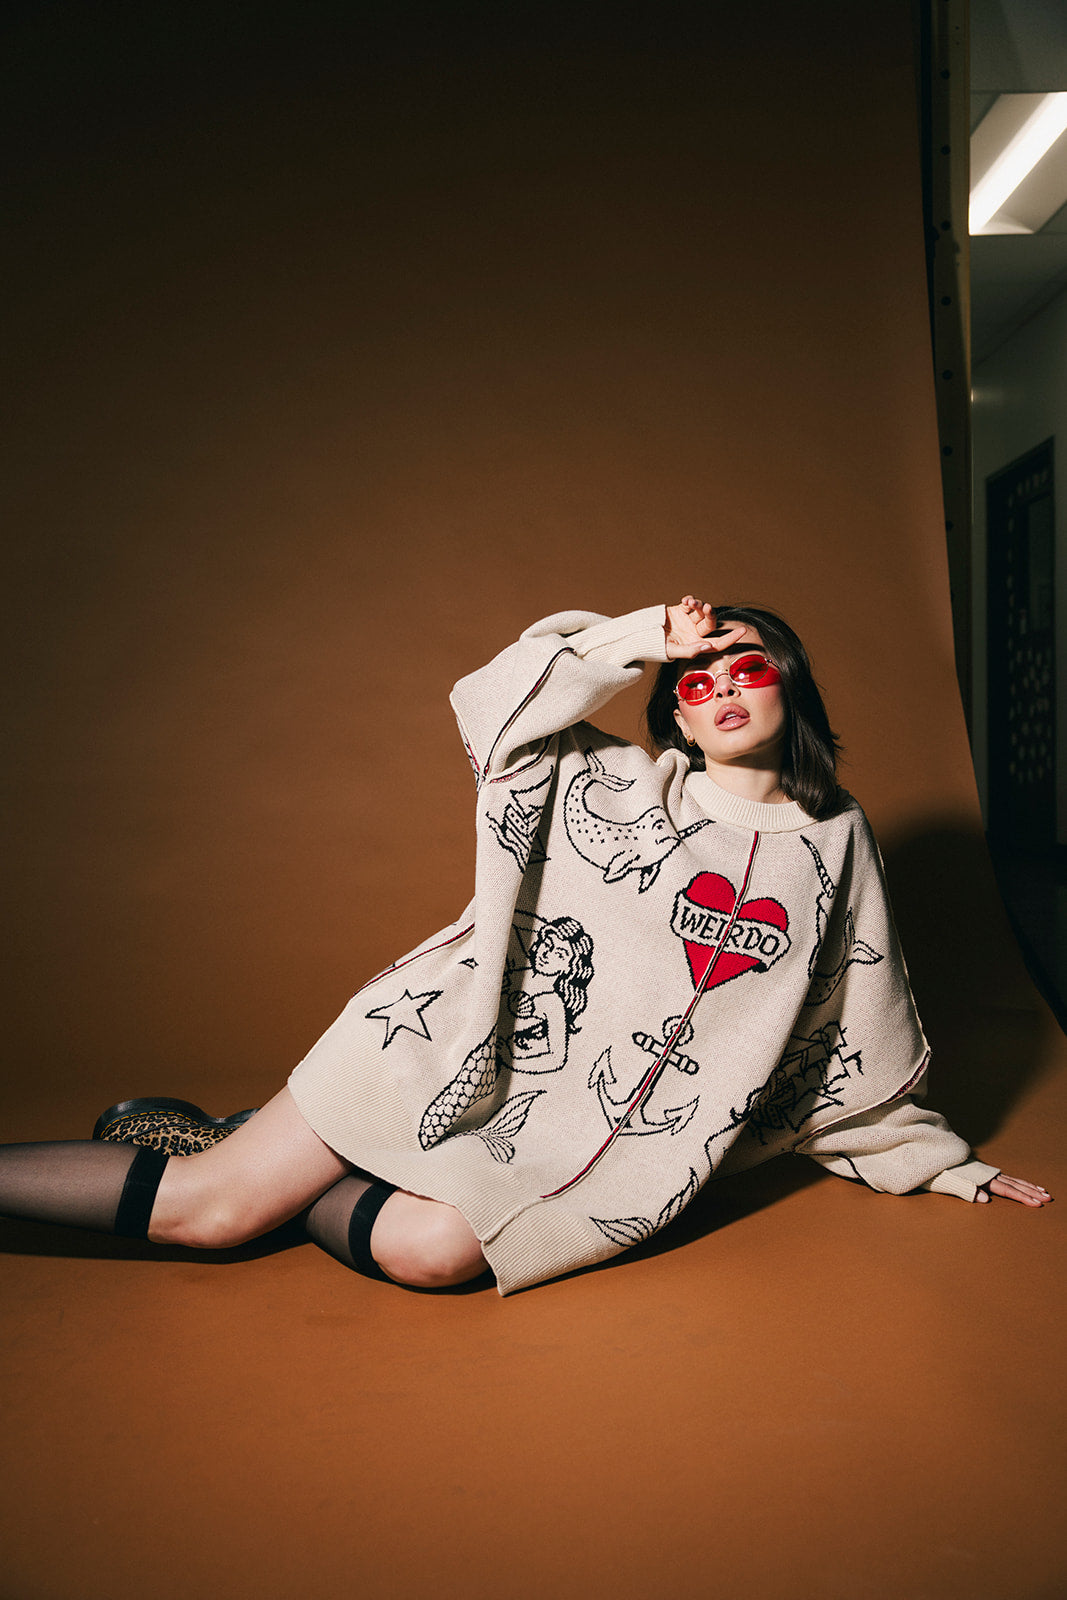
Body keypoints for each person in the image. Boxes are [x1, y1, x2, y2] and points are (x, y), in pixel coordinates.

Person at [0, 597, 1051, 1294]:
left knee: (435, 1251)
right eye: (696, 678)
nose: (724, 688)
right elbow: (491, 703)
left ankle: (242, 1140)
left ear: (790, 686)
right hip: (439, 1044)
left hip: (569, 1142)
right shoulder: (607, 782)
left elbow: (844, 1023)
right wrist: (641, 633)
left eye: (748, 666)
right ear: (673, 710)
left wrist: (932, 1161)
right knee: (212, 1216)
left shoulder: (839, 841)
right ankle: (232, 1163)